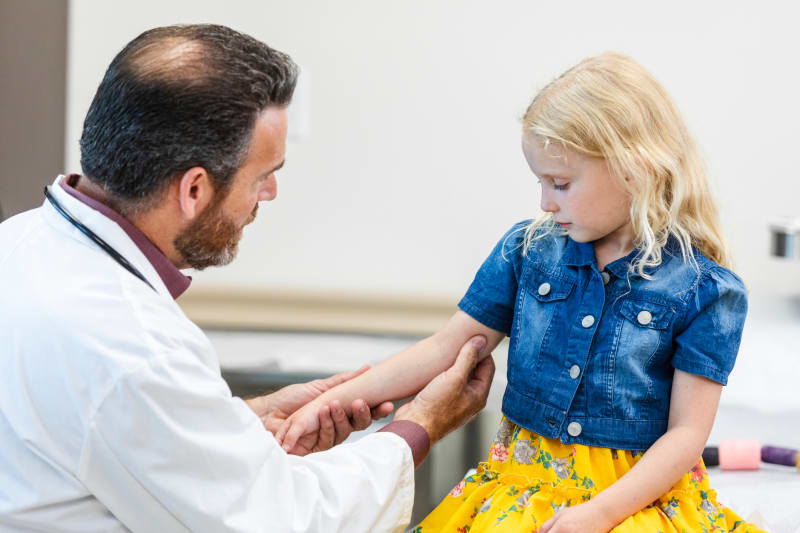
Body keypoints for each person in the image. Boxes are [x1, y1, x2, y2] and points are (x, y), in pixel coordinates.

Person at [0, 24, 496, 532]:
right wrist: (420, 426)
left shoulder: (16, 244)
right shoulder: (137, 348)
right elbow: (286, 523)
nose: (271, 193)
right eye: (262, 176)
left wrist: (245, 421)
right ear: (194, 189)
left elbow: (118, 434)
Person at [276, 53, 767, 532]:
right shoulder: (527, 251)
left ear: (632, 168)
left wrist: (597, 515)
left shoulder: (706, 291)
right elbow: (446, 349)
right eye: (540, 182)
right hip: (519, 491)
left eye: (560, 183)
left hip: (629, 505)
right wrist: (336, 399)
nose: (544, 202)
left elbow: (686, 435)